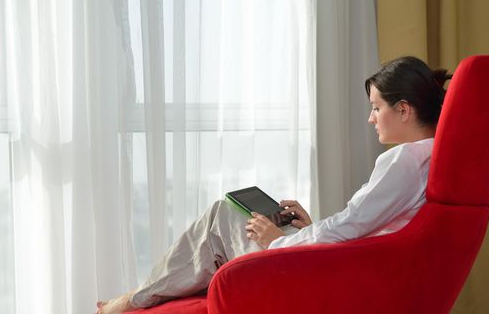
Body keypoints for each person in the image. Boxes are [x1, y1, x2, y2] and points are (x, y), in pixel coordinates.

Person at [95, 56, 451, 314]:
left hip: (322, 277)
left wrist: (285, 242)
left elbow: (351, 225)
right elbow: (367, 228)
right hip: (345, 267)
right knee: (230, 223)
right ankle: (142, 295)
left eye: (376, 107)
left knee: (222, 215)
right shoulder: (432, 157)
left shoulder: (403, 160)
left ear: (403, 109)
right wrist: (309, 230)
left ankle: (133, 300)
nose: (370, 118)